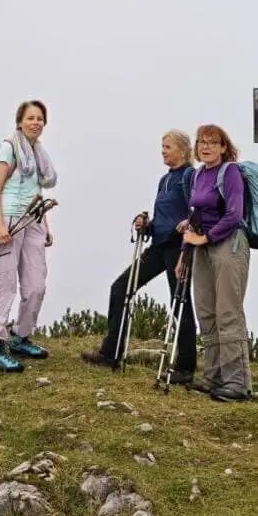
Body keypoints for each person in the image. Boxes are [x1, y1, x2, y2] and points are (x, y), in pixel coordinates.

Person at [80, 130, 198, 384]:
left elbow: (197, 210)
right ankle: (110, 353)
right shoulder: (164, 180)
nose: (163, 151)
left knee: (180, 302)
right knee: (120, 288)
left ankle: (185, 368)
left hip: (179, 248)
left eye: (167, 147)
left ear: (182, 150)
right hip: (158, 245)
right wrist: (146, 225)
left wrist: (187, 223)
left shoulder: (190, 176)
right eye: (162, 146)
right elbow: (164, 218)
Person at [179, 123, 253, 401]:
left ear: (224, 147)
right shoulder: (198, 175)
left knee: (227, 313)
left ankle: (237, 383)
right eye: (201, 142)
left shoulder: (230, 171)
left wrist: (206, 237)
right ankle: (213, 377)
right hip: (201, 248)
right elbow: (195, 213)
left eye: (212, 142)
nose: (206, 147)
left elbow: (234, 213)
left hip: (228, 246)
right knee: (207, 313)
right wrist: (186, 249)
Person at [0, 99, 57, 373]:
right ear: (20, 121)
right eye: (31, 118)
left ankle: (20, 336)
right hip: (9, 220)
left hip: (33, 220)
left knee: (36, 284)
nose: (36, 123)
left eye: (40, 118)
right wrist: (0, 226)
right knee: (5, 284)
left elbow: (36, 194)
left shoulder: (38, 154)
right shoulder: (9, 147)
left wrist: (45, 225)